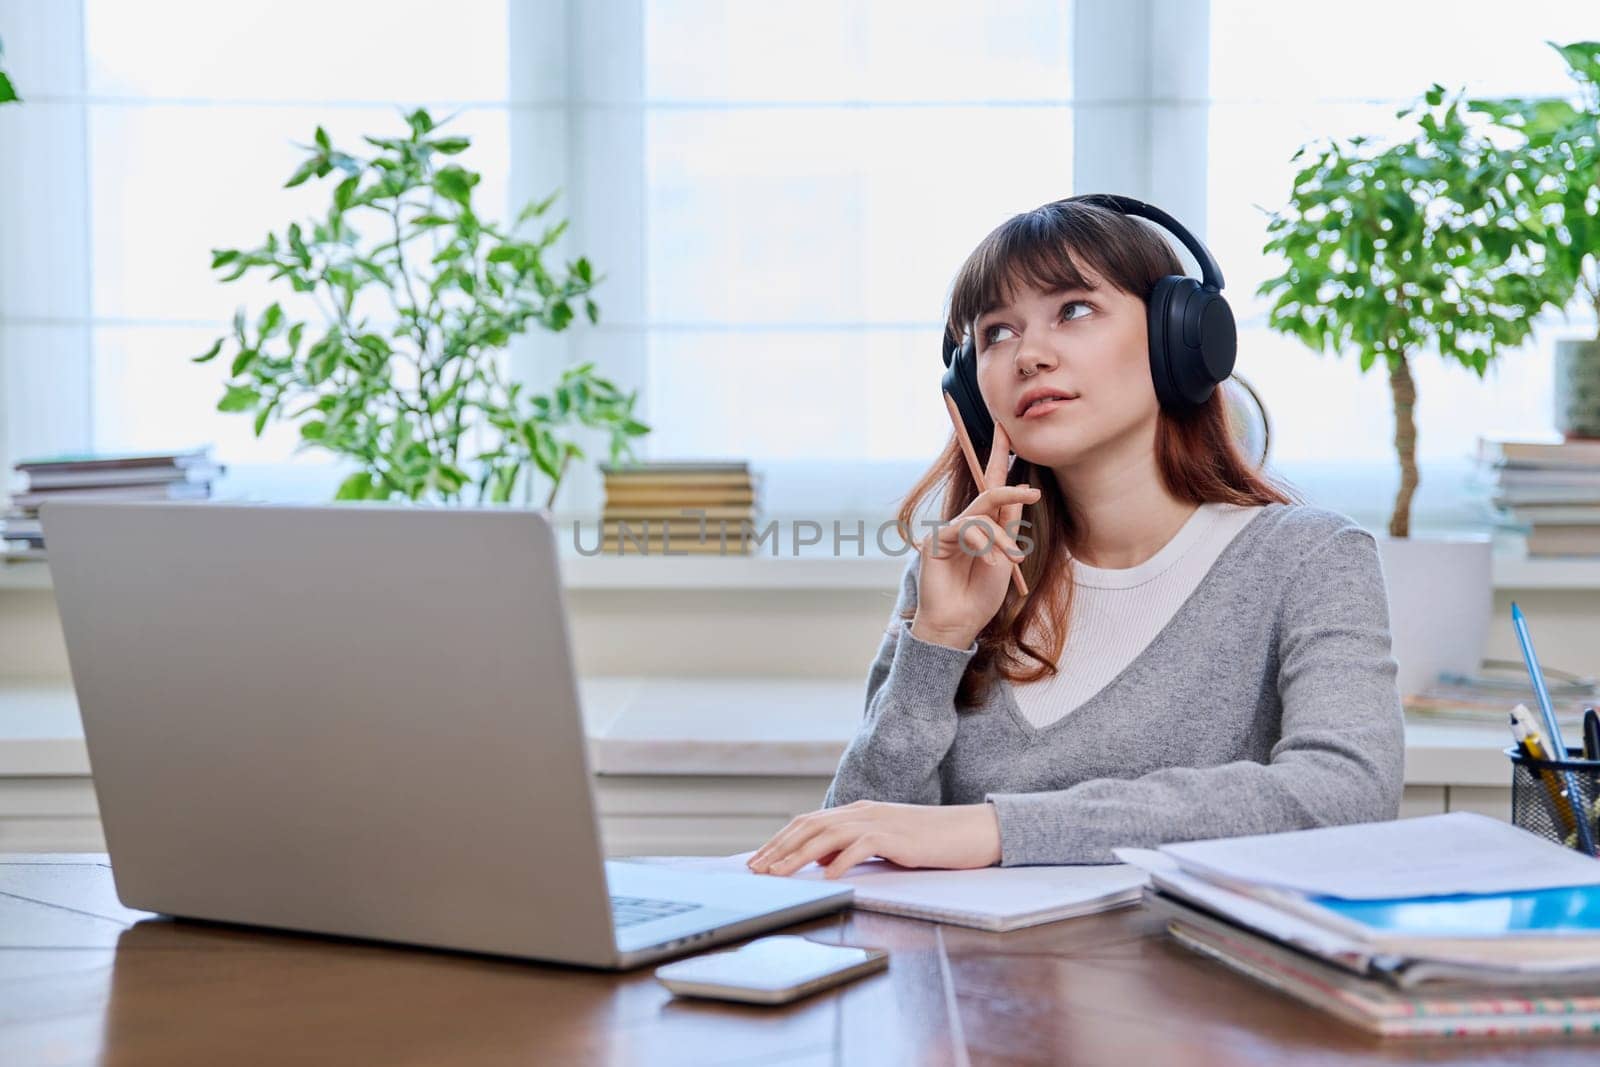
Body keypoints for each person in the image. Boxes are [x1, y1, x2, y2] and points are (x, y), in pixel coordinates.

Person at [746, 197, 1405, 878]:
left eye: (1075, 310)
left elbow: (1344, 794)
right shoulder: (962, 574)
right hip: (978, 982)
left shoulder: (1309, 558)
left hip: (1197, 981)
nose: (1029, 354)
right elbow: (857, 842)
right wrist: (937, 641)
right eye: (996, 332)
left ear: (1178, 336)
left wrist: (1000, 829)